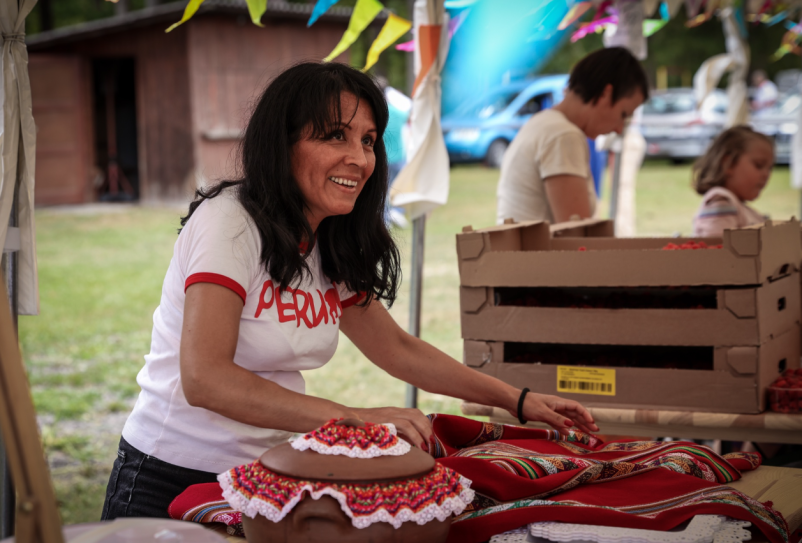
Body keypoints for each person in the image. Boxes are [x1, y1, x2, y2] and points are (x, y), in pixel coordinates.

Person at [101, 62, 598, 520]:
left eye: (368, 140)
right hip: (164, 477)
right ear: (283, 141)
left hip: (261, 477)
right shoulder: (230, 221)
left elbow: (398, 348)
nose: (358, 157)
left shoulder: (326, 238)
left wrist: (520, 400)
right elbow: (205, 377)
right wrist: (355, 419)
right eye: (335, 136)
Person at [496, 47, 648, 225]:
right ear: (605, 94)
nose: (619, 129)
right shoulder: (563, 135)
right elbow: (577, 238)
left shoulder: (544, 123)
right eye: (623, 114)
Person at [692, 126, 772, 237]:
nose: (766, 174)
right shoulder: (720, 203)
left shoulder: (736, 206)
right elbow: (717, 249)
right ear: (728, 164)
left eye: (770, 168)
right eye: (759, 165)